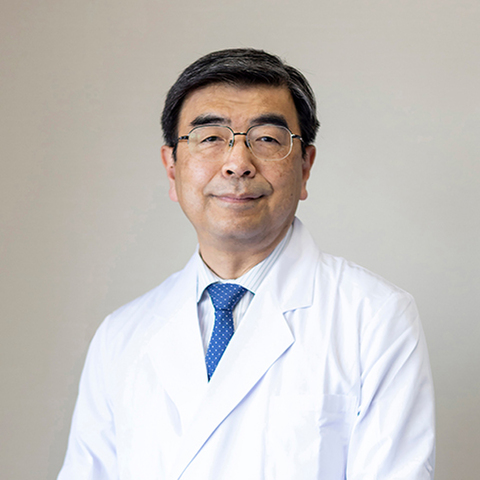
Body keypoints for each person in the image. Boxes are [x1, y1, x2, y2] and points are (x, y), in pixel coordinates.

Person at [58, 48, 435, 479]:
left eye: (267, 139)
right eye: (210, 138)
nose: (238, 164)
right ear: (171, 168)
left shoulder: (375, 318)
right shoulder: (121, 336)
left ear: (305, 167)